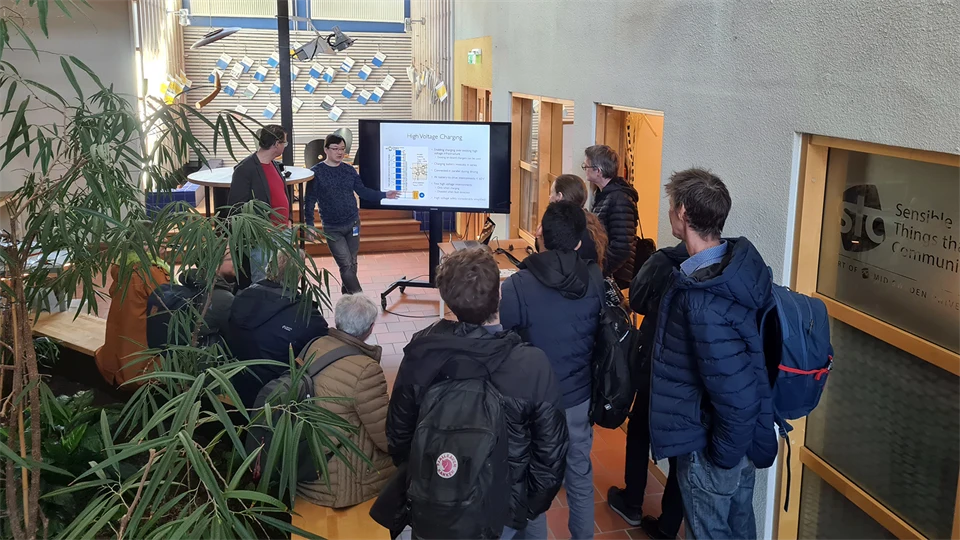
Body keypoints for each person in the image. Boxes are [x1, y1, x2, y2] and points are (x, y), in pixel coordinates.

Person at [381, 247, 568, 540]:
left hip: (434, 503)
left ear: (448, 300)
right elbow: (551, 454)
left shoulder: (421, 354)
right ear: (500, 294)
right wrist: (525, 507)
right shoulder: (531, 365)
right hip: (503, 511)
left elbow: (398, 436)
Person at [648, 168, 777, 539]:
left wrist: (717, 461)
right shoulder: (736, 267)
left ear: (684, 213)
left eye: (671, 206)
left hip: (714, 449)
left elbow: (736, 396)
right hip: (739, 443)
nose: (669, 212)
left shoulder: (705, 302)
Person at [501, 201, 604, 540]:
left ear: (540, 235)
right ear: (578, 242)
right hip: (577, 397)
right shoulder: (594, 279)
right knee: (579, 474)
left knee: (533, 478)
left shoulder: (516, 286)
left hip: (533, 400)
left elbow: (506, 342)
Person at [606, 241, 689, 539]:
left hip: (658, 362)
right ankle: (668, 526)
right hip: (692, 374)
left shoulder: (664, 260)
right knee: (684, 447)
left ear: (682, 214)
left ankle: (632, 502)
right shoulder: (725, 262)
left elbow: (637, 301)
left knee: (640, 430)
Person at [298, 294, 395, 508]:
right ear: (369, 329)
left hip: (303, 468)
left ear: (337, 320)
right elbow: (386, 439)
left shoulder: (313, 345)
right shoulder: (365, 370)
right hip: (340, 484)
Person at [226, 250, 329, 407]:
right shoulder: (307, 315)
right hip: (279, 397)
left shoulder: (241, 297)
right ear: (299, 276)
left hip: (237, 386)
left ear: (269, 269)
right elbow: (320, 347)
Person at [304, 134, 400, 294]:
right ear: (326, 150)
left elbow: (362, 192)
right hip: (332, 228)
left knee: (352, 262)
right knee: (346, 263)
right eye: (335, 149)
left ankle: (347, 293)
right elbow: (309, 202)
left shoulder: (349, 170)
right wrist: (309, 225)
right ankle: (358, 297)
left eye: (342, 149)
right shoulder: (316, 173)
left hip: (353, 223)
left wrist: (384, 195)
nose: (340, 152)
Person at [227, 124, 291, 290]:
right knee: (262, 282)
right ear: (276, 144)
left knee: (284, 279)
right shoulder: (245, 169)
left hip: (283, 231)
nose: (285, 146)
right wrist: (260, 231)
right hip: (263, 238)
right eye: (285, 142)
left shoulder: (275, 165)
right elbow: (236, 208)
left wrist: (288, 221)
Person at [96, 253, 170, 387]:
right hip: (139, 365)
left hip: (114, 356)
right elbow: (168, 301)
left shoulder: (122, 266)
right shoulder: (151, 271)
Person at [583, 145, 639, 288]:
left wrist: (600, 270)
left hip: (615, 275)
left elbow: (622, 247)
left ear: (598, 171)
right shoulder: (604, 194)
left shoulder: (619, 199)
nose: (584, 169)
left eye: (586, 166)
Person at [539, 174, 608, 268]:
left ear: (559, 196)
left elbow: (552, 263)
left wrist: (540, 240)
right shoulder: (591, 223)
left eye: (552, 193)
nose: (549, 197)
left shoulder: (566, 228)